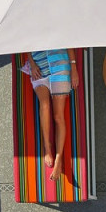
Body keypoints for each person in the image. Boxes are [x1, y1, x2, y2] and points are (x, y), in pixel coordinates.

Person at [26, 48, 80, 181]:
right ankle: (47, 146)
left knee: (58, 116)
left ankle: (58, 158)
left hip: (60, 68)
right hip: (39, 69)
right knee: (44, 105)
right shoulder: (30, 26)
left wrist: (74, 69)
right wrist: (32, 64)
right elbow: (26, 44)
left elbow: (69, 44)